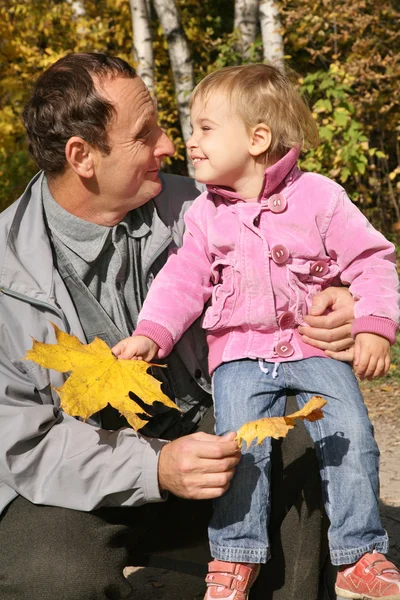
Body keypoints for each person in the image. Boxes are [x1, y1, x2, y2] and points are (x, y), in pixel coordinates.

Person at [0, 52, 355, 600]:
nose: (169, 147)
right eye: (145, 135)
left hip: (208, 431)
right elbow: (23, 444)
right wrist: (157, 466)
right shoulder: (6, 272)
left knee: (300, 434)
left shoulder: (207, 205)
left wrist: (341, 300)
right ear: (82, 156)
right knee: (49, 576)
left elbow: (313, 249)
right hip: (69, 481)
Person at [113, 64, 400, 600]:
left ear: (257, 138)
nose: (188, 143)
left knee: (351, 437)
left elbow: (373, 260)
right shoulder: (204, 215)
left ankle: (359, 555)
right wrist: (153, 332)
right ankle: (233, 559)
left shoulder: (320, 197)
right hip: (241, 353)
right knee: (241, 447)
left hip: (315, 345)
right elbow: (183, 280)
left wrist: (375, 326)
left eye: (203, 128)